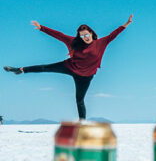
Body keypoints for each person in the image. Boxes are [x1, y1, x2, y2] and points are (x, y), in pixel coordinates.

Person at [4, 15, 133, 120]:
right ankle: (20, 70)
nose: (85, 37)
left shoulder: (101, 43)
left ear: (91, 33)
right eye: (82, 36)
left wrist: (126, 24)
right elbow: (58, 35)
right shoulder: (73, 42)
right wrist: (41, 28)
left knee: (79, 100)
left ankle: (82, 125)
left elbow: (114, 34)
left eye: (86, 34)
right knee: (46, 67)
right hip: (70, 67)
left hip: (85, 77)